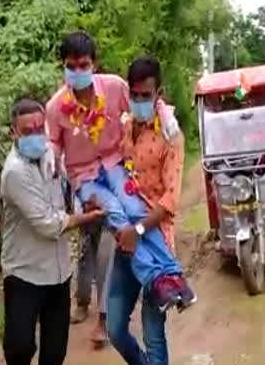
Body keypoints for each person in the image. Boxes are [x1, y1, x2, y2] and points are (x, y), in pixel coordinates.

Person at [45, 32, 194, 312]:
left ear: (95, 64)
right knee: (116, 215)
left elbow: (145, 100)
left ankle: (174, 275)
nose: (78, 71)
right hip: (85, 177)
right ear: (63, 66)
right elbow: (53, 141)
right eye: (71, 66)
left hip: (114, 164)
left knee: (134, 211)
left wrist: (166, 115)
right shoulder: (55, 108)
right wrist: (51, 157)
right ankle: (157, 279)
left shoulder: (113, 87)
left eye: (84, 65)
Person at [0, 98, 104, 365]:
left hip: (59, 270)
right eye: (26, 130)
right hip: (24, 271)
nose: (34, 135)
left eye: (38, 128)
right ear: (13, 133)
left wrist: (83, 194)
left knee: (54, 349)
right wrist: (85, 217)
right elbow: (47, 225)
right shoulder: (13, 173)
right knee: (19, 344)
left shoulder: (50, 155)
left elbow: (67, 182)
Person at [106, 56, 190, 365]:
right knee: (114, 328)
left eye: (146, 94)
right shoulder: (125, 127)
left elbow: (170, 200)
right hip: (124, 241)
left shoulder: (171, 136)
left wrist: (137, 230)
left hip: (154, 244)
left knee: (155, 335)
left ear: (159, 94)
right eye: (134, 94)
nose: (139, 101)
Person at [71, 221, 116, 348]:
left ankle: (104, 320)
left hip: (111, 214)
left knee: (105, 262)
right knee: (85, 257)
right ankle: (82, 303)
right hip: (89, 214)